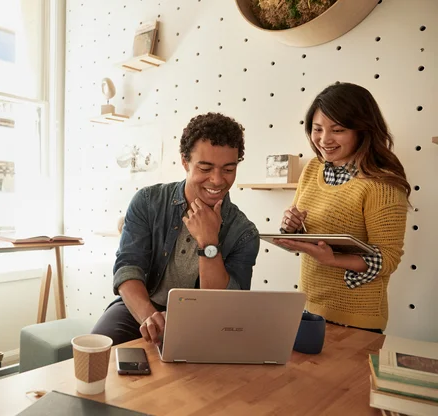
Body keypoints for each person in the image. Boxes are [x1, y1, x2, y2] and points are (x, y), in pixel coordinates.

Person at [91, 112, 260, 346]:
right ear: (184, 162)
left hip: (205, 319)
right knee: (99, 348)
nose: (217, 180)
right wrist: (150, 318)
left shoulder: (244, 233)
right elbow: (128, 269)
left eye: (228, 169)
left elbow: (227, 306)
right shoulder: (148, 202)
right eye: (205, 168)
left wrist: (209, 242)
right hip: (142, 306)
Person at [277, 82, 410, 334]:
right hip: (309, 306)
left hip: (358, 317)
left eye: (337, 130)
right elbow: (306, 231)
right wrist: (290, 227)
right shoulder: (313, 168)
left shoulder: (381, 183)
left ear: (362, 131)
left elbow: (389, 258)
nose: (324, 140)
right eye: (317, 129)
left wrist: (333, 259)